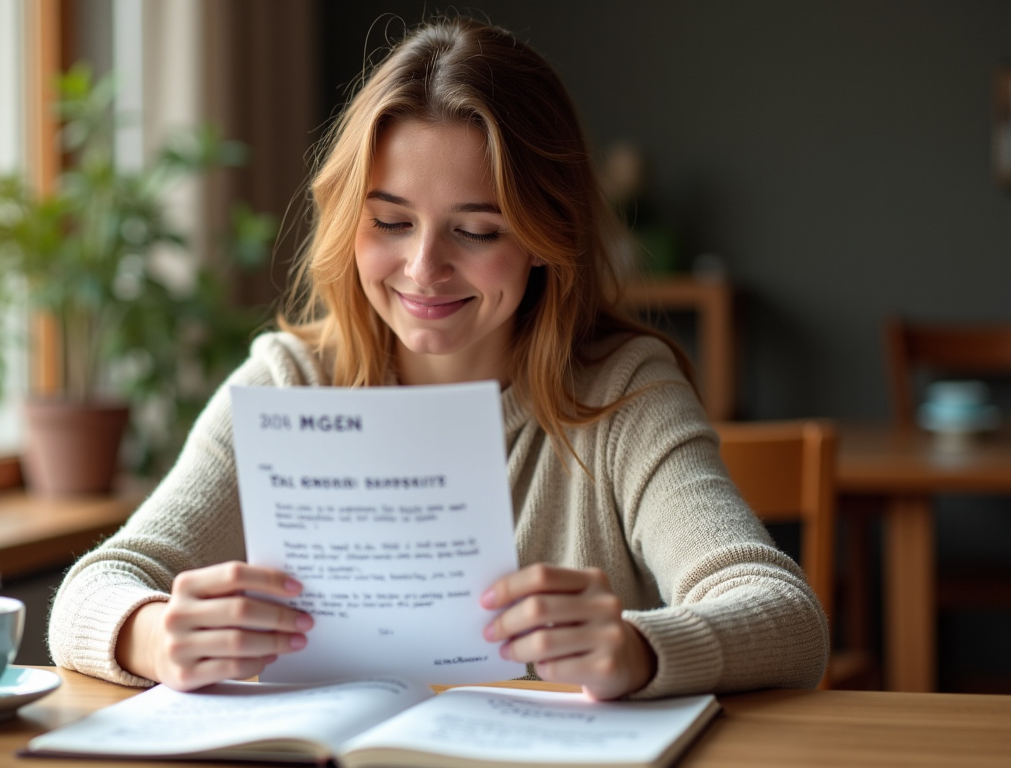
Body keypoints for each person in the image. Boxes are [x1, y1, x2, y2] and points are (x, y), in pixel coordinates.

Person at [48, 17, 828, 700]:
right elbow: (93, 590)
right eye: (389, 222)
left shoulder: (622, 397)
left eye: (478, 231)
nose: (424, 268)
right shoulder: (290, 382)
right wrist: (156, 636)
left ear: (544, 242)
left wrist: (636, 646)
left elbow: (784, 616)